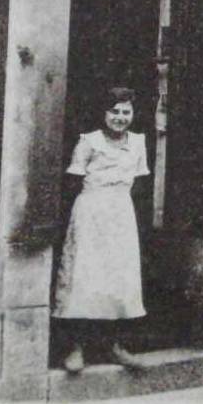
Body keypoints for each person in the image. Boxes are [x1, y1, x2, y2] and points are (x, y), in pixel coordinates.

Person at [53, 86, 149, 373]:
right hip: (91, 214)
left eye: (126, 112)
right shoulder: (89, 142)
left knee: (118, 280)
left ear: (132, 114)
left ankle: (115, 347)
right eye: (114, 112)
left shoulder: (138, 143)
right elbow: (72, 182)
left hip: (121, 215)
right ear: (104, 114)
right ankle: (76, 348)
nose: (120, 117)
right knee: (86, 277)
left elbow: (140, 184)